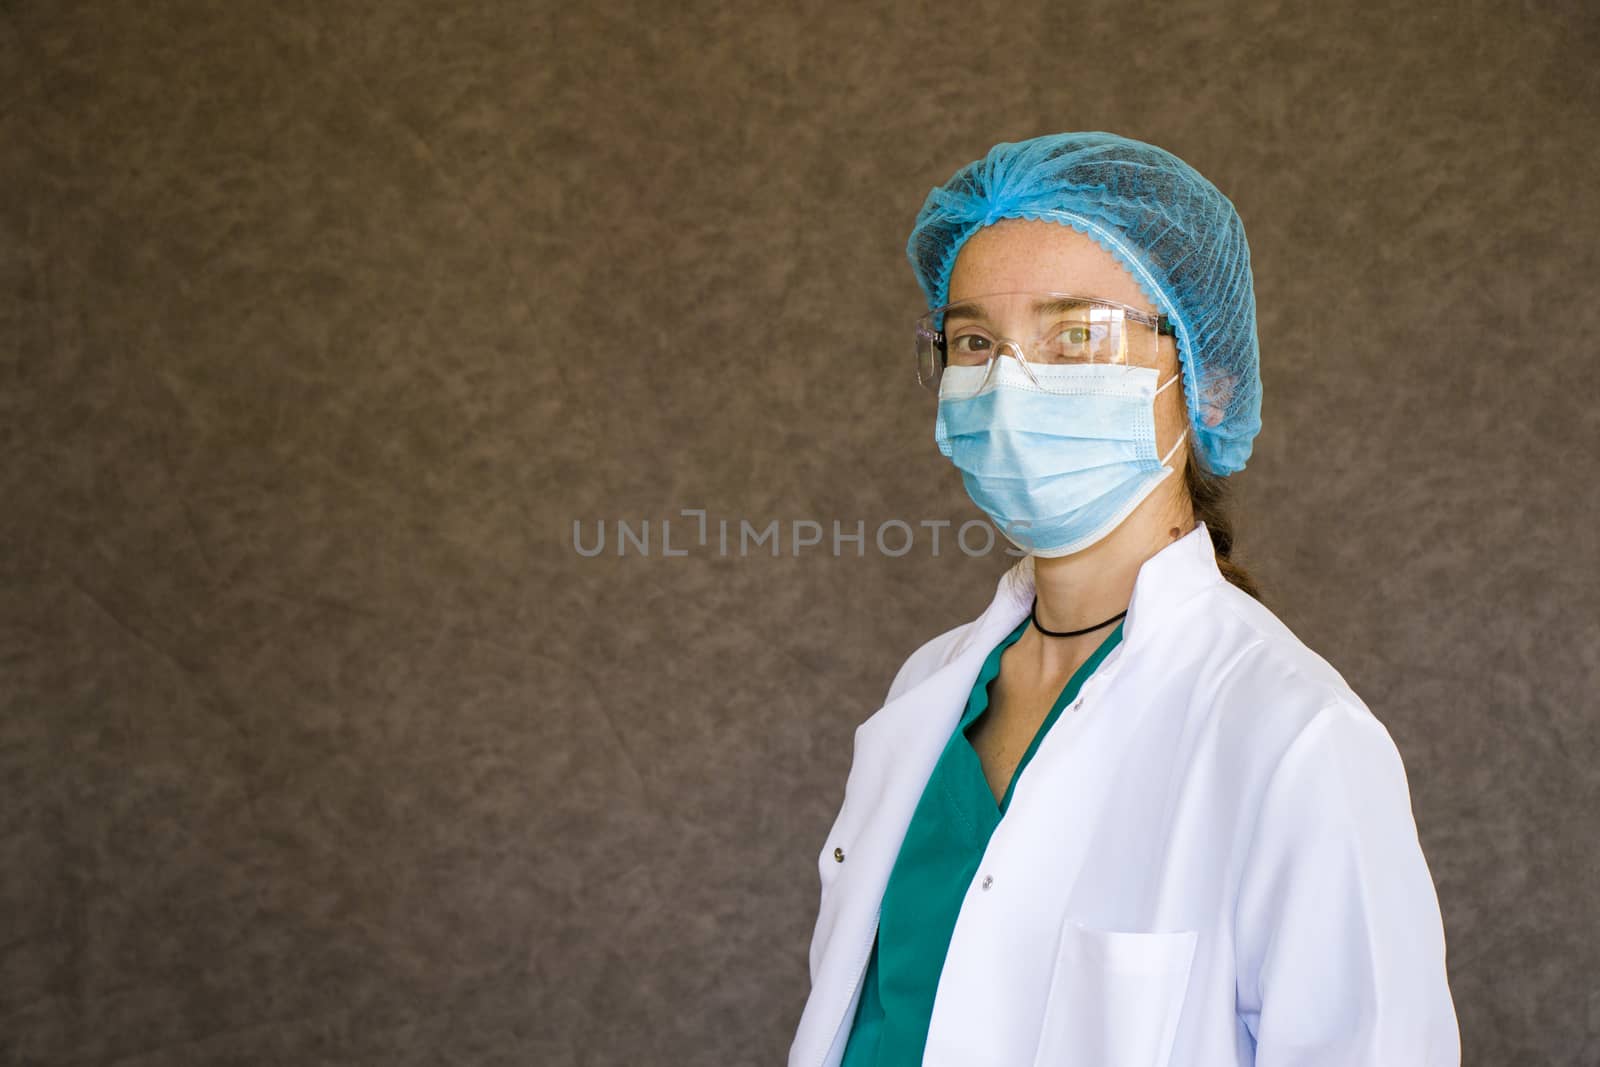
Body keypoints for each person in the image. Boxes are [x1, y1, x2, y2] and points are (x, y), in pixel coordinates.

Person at [788, 132, 1459, 1067]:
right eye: (976, 341)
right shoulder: (929, 689)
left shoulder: (1294, 736)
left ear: (1206, 384)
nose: (1012, 384)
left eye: (1078, 337)